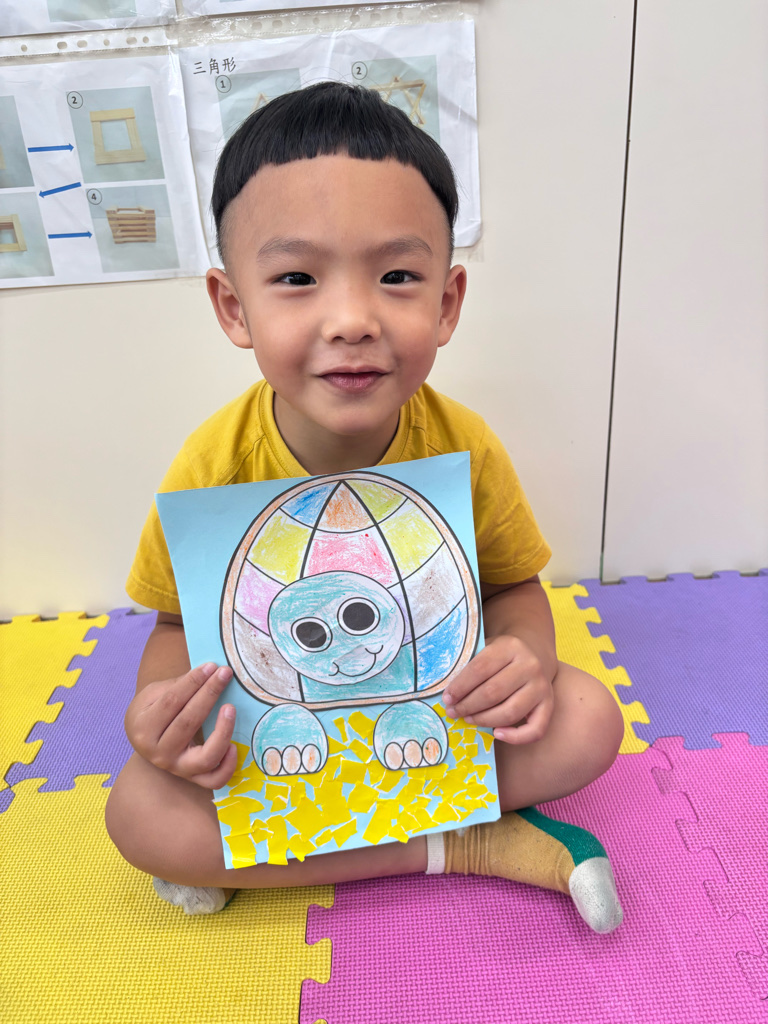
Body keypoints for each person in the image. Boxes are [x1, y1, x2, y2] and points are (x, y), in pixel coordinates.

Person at [106, 82, 625, 933]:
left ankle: (322, 854)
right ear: (235, 307)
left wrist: (525, 660)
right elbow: (173, 626)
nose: (352, 319)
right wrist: (166, 715)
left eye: (396, 276)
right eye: (297, 278)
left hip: (432, 724)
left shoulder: (465, 445)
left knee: (589, 718)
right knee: (138, 812)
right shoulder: (212, 466)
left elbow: (512, 587)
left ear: (446, 303)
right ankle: (470, 842)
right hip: (282, 743)